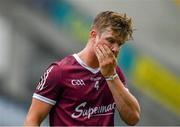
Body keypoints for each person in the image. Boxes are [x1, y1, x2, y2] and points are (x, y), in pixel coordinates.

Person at [24, 11, 140, 126]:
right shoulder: (59, 71)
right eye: (110, 40)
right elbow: (32, 120)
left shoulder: (114, 73)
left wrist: (111, 76)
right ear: (93, 35)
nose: (115, 49)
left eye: (119, 44)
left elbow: (133, 118)